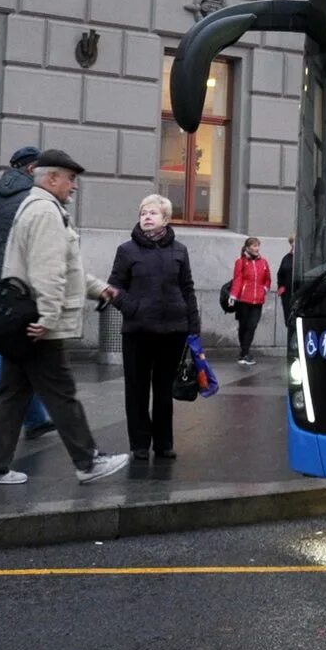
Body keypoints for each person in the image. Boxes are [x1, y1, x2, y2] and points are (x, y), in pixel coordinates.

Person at [0, 149, 129, 486]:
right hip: (39, 323)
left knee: (13, 394)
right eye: (70, 179)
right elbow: (48, 272)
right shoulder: (45, 212)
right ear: (52, 178)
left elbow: (67, 270)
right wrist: (48, 316)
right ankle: (88, 462)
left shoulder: (37, 207)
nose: (74, 186)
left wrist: (99, 288)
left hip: (25, 319)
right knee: (61, 394)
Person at [0, 146, 54, 442]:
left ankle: (35, 420)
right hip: (20, 288)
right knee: (4, 356)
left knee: (25, 355)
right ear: (31, 169)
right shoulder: (34, 201)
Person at [108, 194, 199, 461]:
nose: (146, 217)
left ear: (166, 219)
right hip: (137, 332)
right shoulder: (127, 251)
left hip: (173, 331)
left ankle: (163, 443)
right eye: (143, 213)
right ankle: (139, 443)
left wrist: (193, 326)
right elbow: (114, 288)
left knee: (163, 391)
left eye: (153, 213)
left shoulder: (180, 250)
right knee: (136, 389)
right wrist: (133, 308)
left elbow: (188, 288)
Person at [229, 235, 271, 364]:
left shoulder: (263, 262)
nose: (257, 248)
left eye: (258, 245)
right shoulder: (241, 262)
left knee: (252, 325)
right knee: (243, 326)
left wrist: (264, 289)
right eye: (254, 246)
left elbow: (268, 279)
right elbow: (237, 279)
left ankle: (245, 352)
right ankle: (244, 352)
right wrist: (233, 295)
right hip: (243, 300)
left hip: (258, 300)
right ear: (248, 248)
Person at [276, 237, 295, 338]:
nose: (294, 244)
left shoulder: (305, 258)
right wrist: (281, 287)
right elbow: (280, 274)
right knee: (289, 320)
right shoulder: (287, 258)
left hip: (299, 294)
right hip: (287, 294)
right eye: (292, 242)